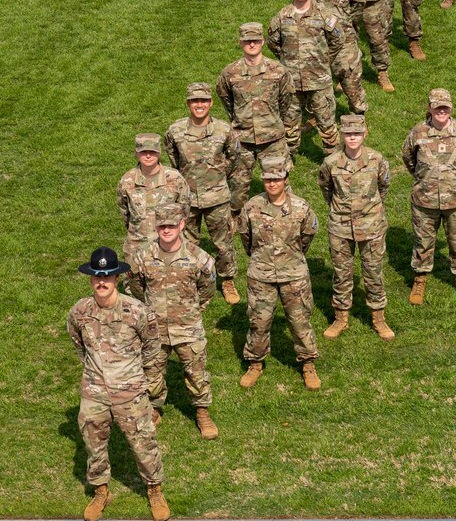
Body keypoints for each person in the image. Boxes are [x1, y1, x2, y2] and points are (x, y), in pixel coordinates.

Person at [67, 246, 169, 521]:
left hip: (131, 393)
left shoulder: (137, 312)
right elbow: (80, 347)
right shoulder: (79, 312)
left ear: (117, 279)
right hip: (94, 393)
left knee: (143, 444)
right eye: (97, 276)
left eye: (108, 276)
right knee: (93, 444)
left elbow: (152, 350)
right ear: (91, 279)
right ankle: (101, 491)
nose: (102, 281)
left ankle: (154, 490)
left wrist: (141, 383)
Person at [127, 204, 218, 439]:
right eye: (161, 226)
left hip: (188, 328)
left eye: (170, 225)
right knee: (151, 374)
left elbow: (208, 289)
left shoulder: (198, 257)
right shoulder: (143, 257)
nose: (166, 230)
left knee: (196, 373)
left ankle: (202, 412)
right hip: (155, 330)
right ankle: (154, 409)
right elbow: (136, 287)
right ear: (156, 227)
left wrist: (194, 310)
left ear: (181, 225)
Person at [236, 156, 322, 391]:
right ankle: (255, 362)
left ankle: (308, 363)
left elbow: (308, 235)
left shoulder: (301, 207)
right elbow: (246, 238)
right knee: (259, 321)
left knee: (300, 321)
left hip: (294, 274)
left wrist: (292, 256)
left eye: (277, 179)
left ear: (285, 179)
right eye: (267, 179)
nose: (272, 183)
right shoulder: (252, 207)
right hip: (261, 274)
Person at [317, 114, 395, 341]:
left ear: (364, 134)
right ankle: (341, 318)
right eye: (349, 133)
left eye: (357, 133)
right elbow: (325, 189)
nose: (353, 138)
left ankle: (378, 318)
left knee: (373, 273)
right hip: (340, 228)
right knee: (342, 274)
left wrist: (369, 209)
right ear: (342, 135)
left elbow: (384, 186)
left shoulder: (376, 160)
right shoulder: (331, 162)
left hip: (372, 226)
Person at [401, 88, 456, 305]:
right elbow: (408, 157)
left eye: (445, 107)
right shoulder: (418, 132)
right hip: (424, 201)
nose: (441, 111)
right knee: (423, 242)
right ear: (430, 108)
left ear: (451, 107)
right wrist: (424, 179)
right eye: (437, 107)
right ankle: (420, 279)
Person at [165, 82, 242, 304]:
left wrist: (218, 176)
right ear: (188, 103)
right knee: (188, 243)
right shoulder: (175, 131)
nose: (199, 105)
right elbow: (174, 161)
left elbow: (233, 157)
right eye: (195, 101)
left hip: (217, 197)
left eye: (203, 101)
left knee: (223, 242)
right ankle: (192, 282)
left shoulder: (224, 130)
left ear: (210, 103)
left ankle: (227, 281)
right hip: (188, 199)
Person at [215, 21, 301, 215]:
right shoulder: (230, 73)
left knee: (280, 181)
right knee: (237, 184)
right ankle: (237, 219)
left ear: (262, 41)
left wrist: (276, 123)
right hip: (242, 139)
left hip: (272, 138)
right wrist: (240, 119)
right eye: (247, 41)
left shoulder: (278, 71)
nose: (251, 44)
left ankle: (287, 217)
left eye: (255, 40)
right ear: (240, 43)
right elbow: (226, 99)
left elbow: (287, 102)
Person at [266, 0, 346, 155]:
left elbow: (338, 39)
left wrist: (324, 59)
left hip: (319, 79)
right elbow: (272, 41)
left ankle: (332, 159)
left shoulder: (323, 14)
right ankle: (289, 157)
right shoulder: (282, 15)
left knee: (326, 121)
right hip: (292, 81)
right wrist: (287, 59)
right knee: (289, 121)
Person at [308, 0, 374, 103]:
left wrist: (345, 20)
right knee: (316, 80)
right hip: (318, 38)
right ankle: (319, 120)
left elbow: (359, 3)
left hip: (345, 37)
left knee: (351, 79)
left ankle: (358, 116)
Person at [116, 133, 190, 259]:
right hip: (137, 246)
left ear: (159, 152)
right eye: (144, 152)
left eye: (153, 151)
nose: (148, 155)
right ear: (136, 153)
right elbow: (125, 212)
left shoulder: (175, 178)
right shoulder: (127, 180)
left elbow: (185, 210)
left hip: (169, 246)